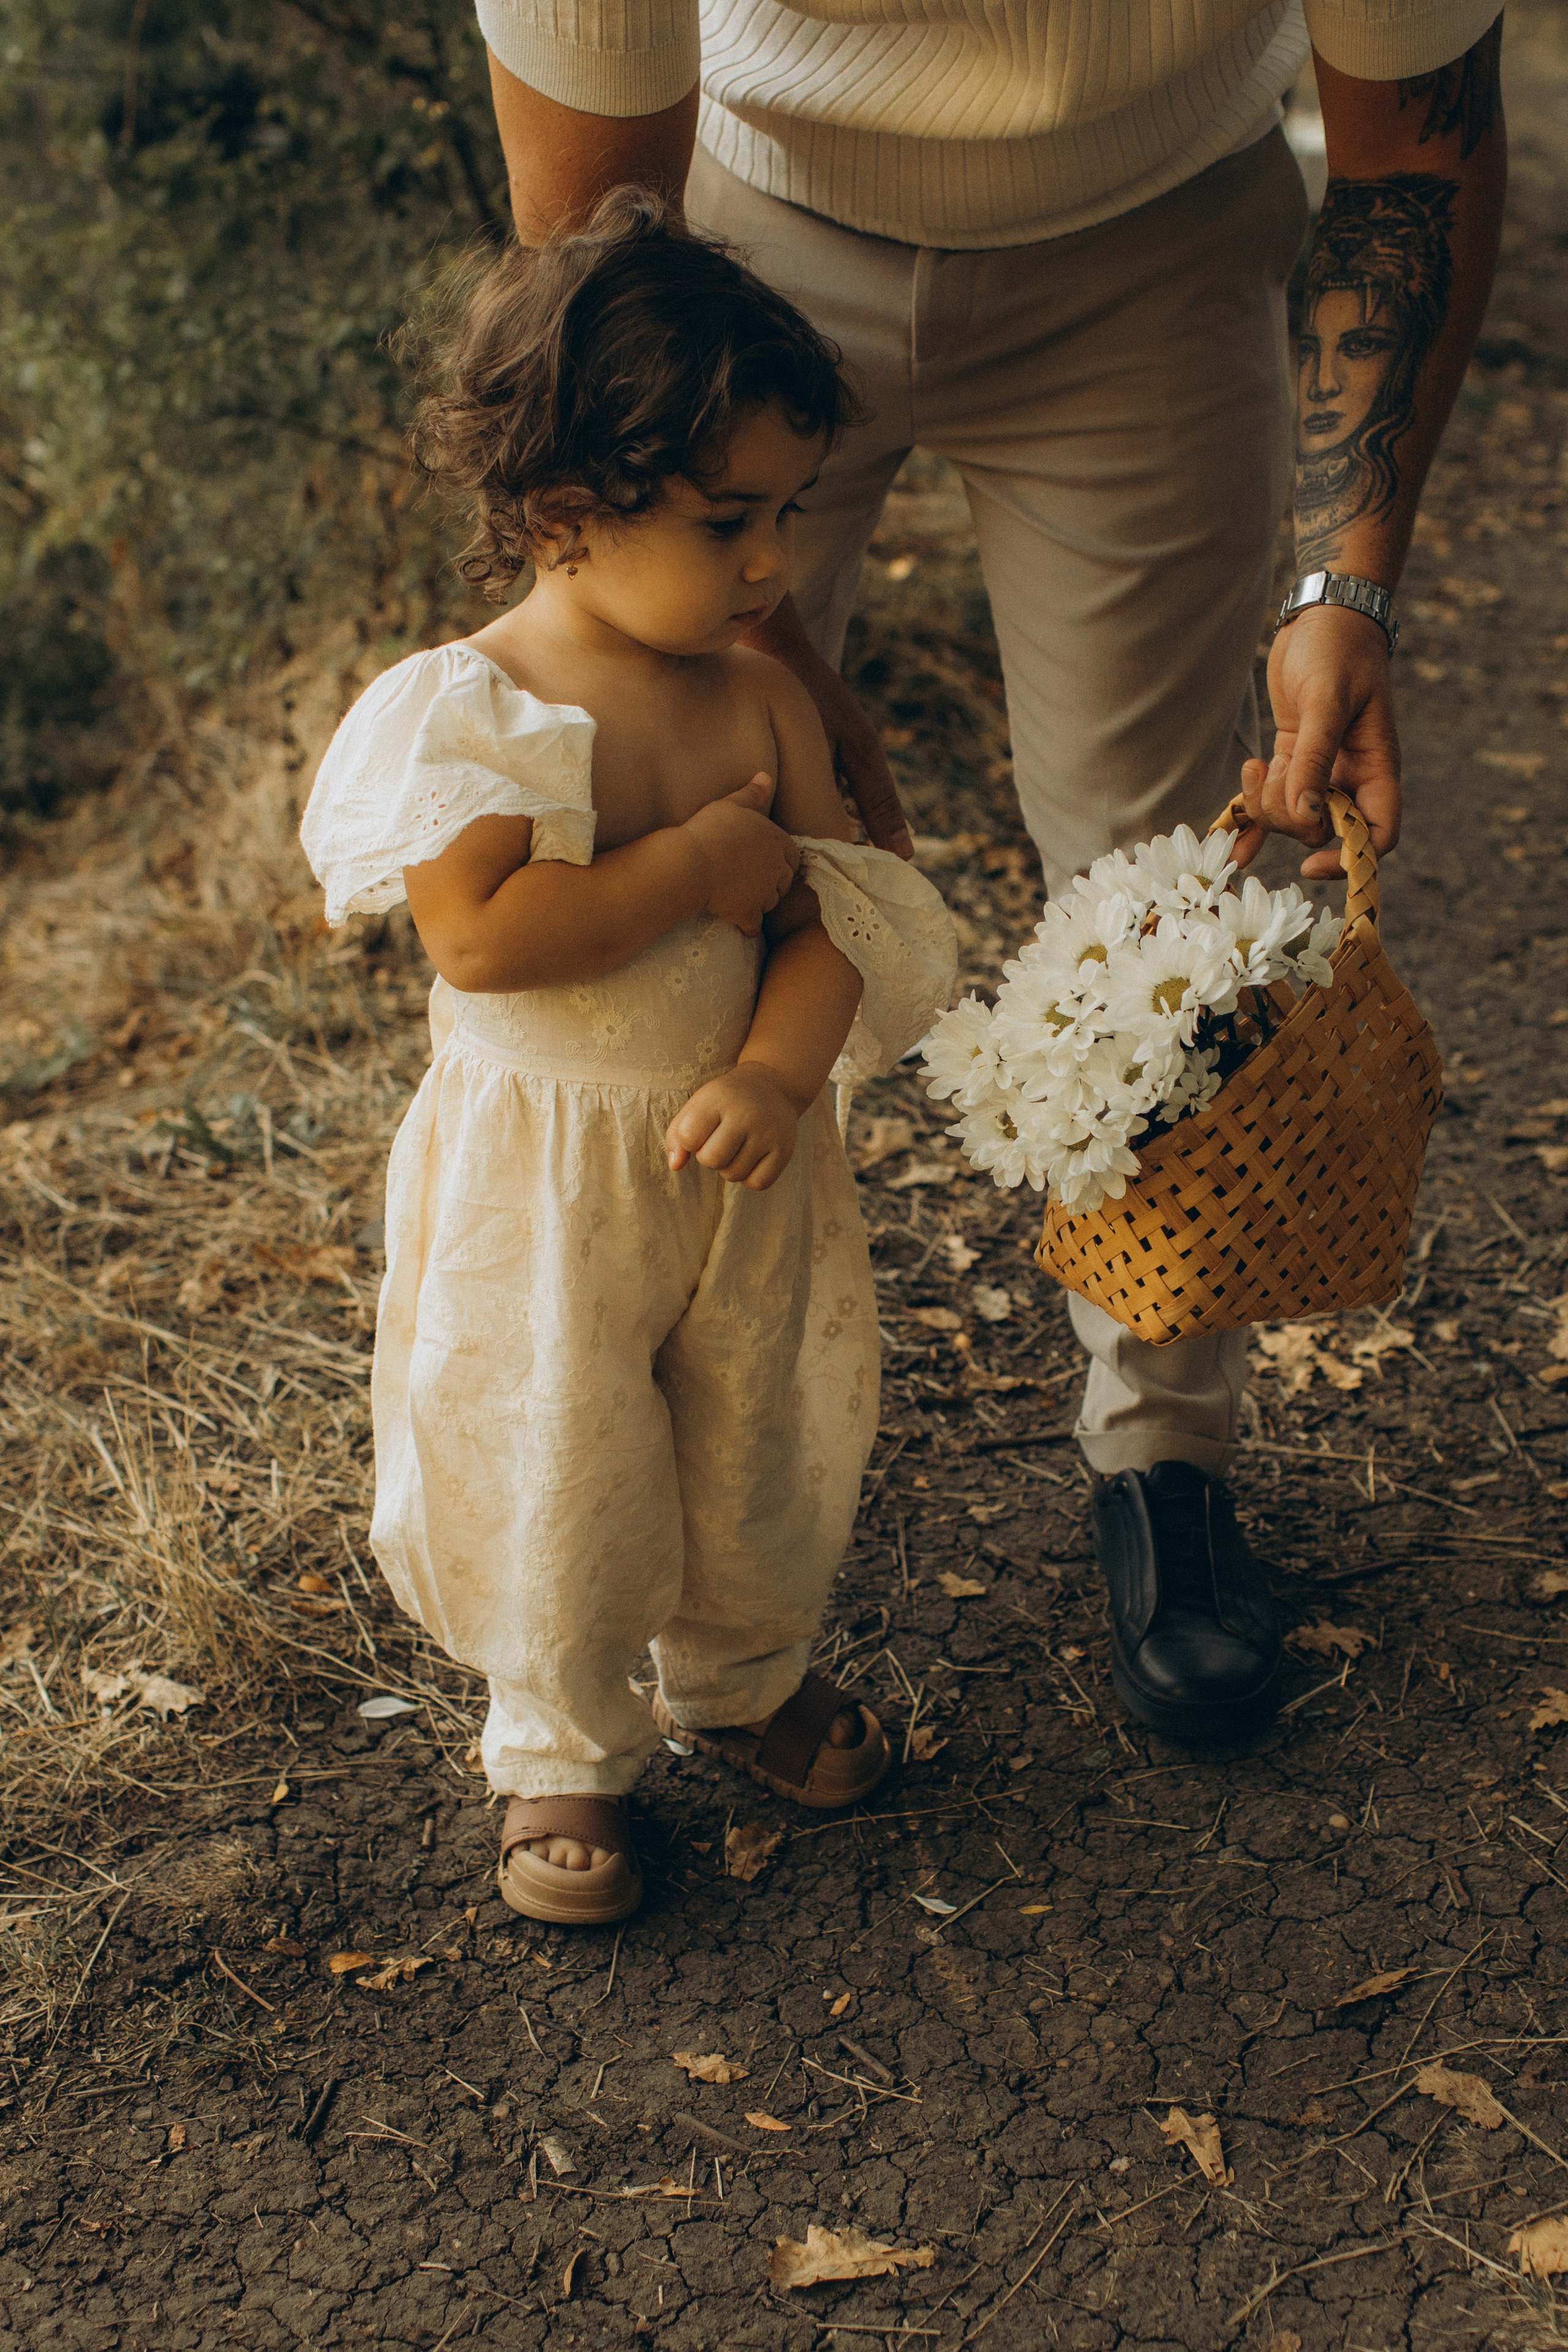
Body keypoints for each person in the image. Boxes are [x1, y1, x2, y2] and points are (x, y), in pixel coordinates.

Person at [477, 0, 1507, 1741]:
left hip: (1157, 237)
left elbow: (1411, 153)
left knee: (1168, 873)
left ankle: (1166, 1458)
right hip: (736, 228)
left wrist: (1347, 588)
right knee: (673, 828)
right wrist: (765, 647)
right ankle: (621, 1463)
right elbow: (594, 249)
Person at [300, 198, 957, 1923]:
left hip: (740, 1168)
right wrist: (684, 875)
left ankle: (740, 1677)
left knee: (763, 1439)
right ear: (564, 517)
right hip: (548, 1186)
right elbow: (481, 940)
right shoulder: (479, 712)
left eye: (787, 515)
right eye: (730, 520)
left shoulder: (757, 701)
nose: (772, 566)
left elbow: (838, 922)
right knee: (555, 1450)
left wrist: (777, 1074)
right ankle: (562, 1745)